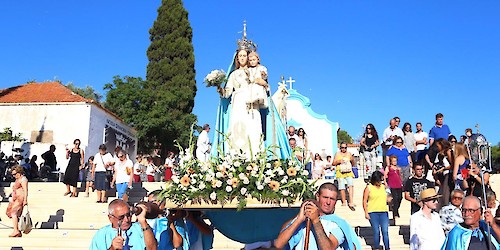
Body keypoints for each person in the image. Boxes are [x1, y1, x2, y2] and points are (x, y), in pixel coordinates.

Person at [275, 182, 361, 249]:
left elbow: (328, 248)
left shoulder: (338, 224)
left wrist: (316, 221)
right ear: (317, 196)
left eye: (332, 199)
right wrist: (299, 219)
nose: (328, 202)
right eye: (325, 197)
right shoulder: (303, 221)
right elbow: (278, 244)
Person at [218, 48, 264, 158]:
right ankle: (236, 156)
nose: (242, 58)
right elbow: (227, 92)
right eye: (240, 56)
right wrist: (219, 88)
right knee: (238, 128)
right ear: (237, 58)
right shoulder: (233, 74)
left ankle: (255, 156)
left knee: (253, 127)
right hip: (238, 102)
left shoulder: (254, 70)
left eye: (244, 55)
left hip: (251, 102)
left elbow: (262, 80)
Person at [90, 199, 157, 250]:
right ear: (110, 218)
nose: (126, 220)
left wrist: (143, 222)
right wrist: (112, 248)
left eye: (128, 215)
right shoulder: (101, 234)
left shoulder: (141, 228)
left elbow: (153, 248)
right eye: (121, 217)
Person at [362, 171, 391, 250]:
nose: (380, 182)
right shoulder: (369, 187)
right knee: (376, 231)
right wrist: (366, 212)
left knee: (385, 231)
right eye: (379, 180)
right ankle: (377, 247)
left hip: (383, 211)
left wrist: (389, 199)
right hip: (373, 212)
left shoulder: (383, 187)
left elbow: (388, 196)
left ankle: (387, 247)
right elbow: (364, 200)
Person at [5, 165, 28, 237]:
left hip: (20, 198)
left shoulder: (23, 179)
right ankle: (17, 229)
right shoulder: (18, 179)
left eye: (15, 174)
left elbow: (25, 190)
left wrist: (25, 200)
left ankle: (16, 230)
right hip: (15, 198)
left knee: (13, 213)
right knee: (11, 212)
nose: (14, 176)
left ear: (19, 172)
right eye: (13, 174)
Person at [333, 142, 356, 210]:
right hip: (340, 171)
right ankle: (343, 202)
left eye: (345, 147)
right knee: (341, 186)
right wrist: (339, 161)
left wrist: (352, 160)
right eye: (342, 147)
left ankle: (351, 201)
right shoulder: (337, 154)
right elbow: (333, 163)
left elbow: (353, 163)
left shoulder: (349, 154)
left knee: (350, 185)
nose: (344, 149)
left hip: (348, 171)